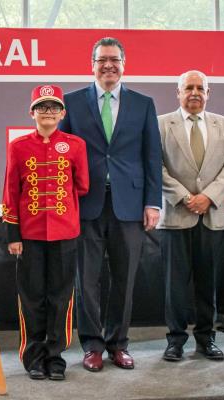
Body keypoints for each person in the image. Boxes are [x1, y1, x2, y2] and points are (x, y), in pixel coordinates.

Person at [59, 37, 162, 371]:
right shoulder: (71, 102)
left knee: (124, 278)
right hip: (85, 205)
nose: (108, 65)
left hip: (130, 205)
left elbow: (152, 156)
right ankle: (92, 345)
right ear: (92, 64)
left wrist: (152, 202)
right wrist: (65, 201)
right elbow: (62, 156)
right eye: (102, 59)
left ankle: (118, 343)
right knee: (87, 280)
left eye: (114, 60)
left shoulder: (143, 104)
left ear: (124, 64)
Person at [3, 85, 89, 381]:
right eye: (42, 107)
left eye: (53, 107)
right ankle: (34, 357)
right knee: (32, 298)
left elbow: (82, 185)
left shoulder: (76, 145)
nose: (48, 112)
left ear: (62, 112)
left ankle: (56, 357)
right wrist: (13, 234)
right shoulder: (18, 146)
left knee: (60, 297)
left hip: (65, 232)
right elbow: (10, 191)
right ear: (32, 113)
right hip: (30, 234)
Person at [158, 71, 224, 362]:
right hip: (175, 215)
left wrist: (208, 197)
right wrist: (186, 197)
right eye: (188, 88)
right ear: (177, 92)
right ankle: (175, 341)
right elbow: (157, 166)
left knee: (207, 283)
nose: (194, 93)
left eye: (200, 88)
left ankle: (206, 339)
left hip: (211, 215)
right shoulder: (161, 125)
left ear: (208, 92)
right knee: (174, 285)